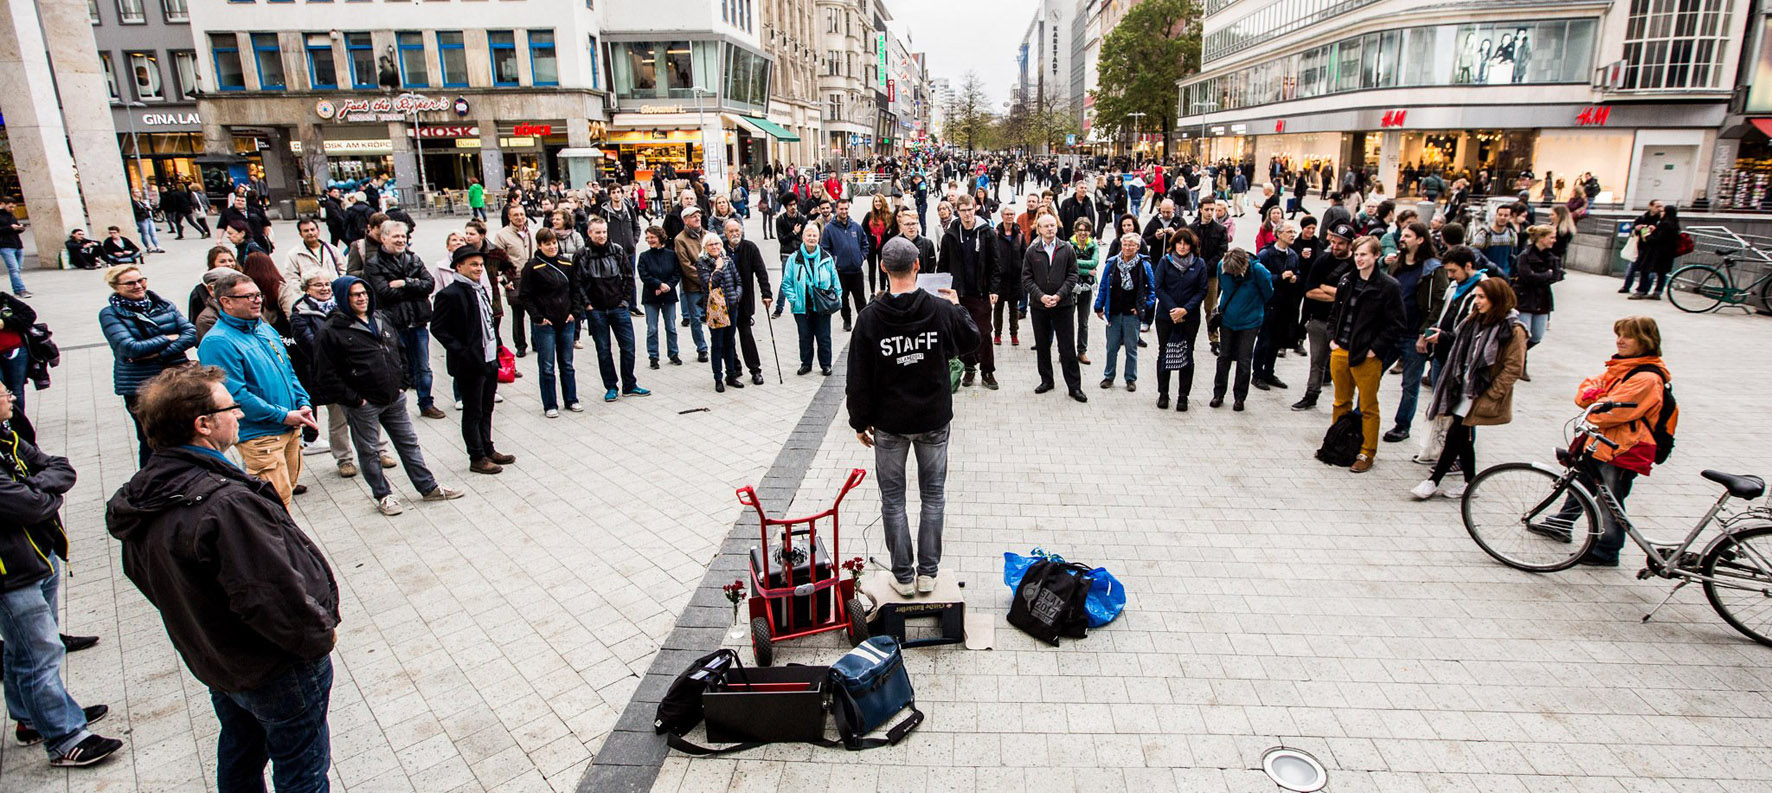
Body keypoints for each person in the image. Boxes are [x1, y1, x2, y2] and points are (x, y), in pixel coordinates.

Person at [105, 365, 337, 786]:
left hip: (218, 658)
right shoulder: (223, 505)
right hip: (273, 666)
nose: (241, 416)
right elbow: (270, 596)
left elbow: (146, 577)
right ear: (203, 425)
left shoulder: (146, 491)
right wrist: (318, 638)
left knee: (241, 748)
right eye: (232, 408)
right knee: (301, 769)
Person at [847, 237, 979, 597]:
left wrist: (860, 421)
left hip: (889, 423)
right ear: (918, 266)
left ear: (884, 268)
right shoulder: (939, 309)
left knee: (893, 500)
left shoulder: (870, 318)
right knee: (933, 496)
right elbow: (971, 340)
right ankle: (928, 574)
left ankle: (903, 577)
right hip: (933, 419)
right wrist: (957, 307)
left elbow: (857, 377)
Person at [1, 383, 124, 768]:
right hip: (11, 571)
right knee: (40, 653)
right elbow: (32, 503)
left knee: (26, 647)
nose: (11, 396)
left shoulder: (8, 435)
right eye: (3, 392)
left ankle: (31, 718)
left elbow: (59, 466)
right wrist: (40, 496)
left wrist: (37, 494)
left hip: (40, 552)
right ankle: (65, 737)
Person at [310, 276, 465, 515]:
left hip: (394, 397)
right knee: (369, 452)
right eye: (355, 295)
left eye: (365, 293)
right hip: (363, 404)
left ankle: (428, 487)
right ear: (343, 298)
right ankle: (383, 495)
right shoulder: (331, 331)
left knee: (409, 444)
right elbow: (325, 373)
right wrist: (355, 400)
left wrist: (403, 383)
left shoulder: (380, 318)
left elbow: (400, 351)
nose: (362, 298)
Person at [1539, 316, 1672, 566]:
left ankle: (1607, 550)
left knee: (1610, 500)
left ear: (1645, 340)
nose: (1620, 341)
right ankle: (1563, 522)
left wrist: (1597, 400)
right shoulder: (1622, 367)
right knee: (1583, 480)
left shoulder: (1646, 378)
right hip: (1606, 442)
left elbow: (1610, 412)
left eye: (1628, 336)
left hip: (1624, 447)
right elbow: (1587, 391)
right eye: (1619, 335)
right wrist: (1596, 398)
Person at [1411, 278, 1526, 500]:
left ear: (1497, 299)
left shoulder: (1513, 329)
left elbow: (1514, 367)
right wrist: (1443, 337)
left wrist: (1492, 393)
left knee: (1457, 433)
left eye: (1482, 297)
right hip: (1461, 385)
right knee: (1463, 438)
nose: (1477, 301)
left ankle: (1433, 481)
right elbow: (1460, 342)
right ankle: (1471, 484)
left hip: (1480, 390)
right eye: (1477, 296)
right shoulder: (1476, 319)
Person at [98, 264, 197, 468]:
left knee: (184, 434)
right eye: (130, 283)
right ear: (116, 286)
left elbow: (191, 333)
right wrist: (167, 339)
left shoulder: (163, 305)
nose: (138, 286)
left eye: (141, 280)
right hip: (141, 386)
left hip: (175, 380)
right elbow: (130, 348)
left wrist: (160, 354)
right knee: (151, 439)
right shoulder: (110, 314)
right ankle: (151, 481)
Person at [432, 247, 515, 474]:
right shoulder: (450, 294)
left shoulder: (479, 289)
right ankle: (476, 456)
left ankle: (487, 448)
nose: (478, 269)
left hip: (488, 359)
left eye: (480, 265)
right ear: (459, 267)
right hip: (469, 363)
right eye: (473, 265)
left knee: (487, 407)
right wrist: (463, 351)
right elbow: (438, 328)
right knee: (473, 410)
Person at [1328, 236, 1407, 473]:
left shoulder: (1388, 286)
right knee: (1341, 401)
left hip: (1366, 355)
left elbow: (1396, 324)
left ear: (1375, 255)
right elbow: (1335, 312)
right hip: (1341, 348)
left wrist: (1376, 348)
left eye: (1363, 254)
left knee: (1368, 406)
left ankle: (1366, 452)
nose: (1359, 259)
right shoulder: (1346, 281)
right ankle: (1337, 444)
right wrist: (1332, 337)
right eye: (1356, 254)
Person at [361, 220, 443, 420]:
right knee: (398, 366)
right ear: (383, 238)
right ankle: (397, 406)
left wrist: (405, 283)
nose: (400, 240)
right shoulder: (373, 264)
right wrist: (415, 289)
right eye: (395, 236)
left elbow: (429, 284)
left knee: (423, 365)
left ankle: (426, 402)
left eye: (403, 237)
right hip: (393, 324)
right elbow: (384, 292)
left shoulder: (414, 259)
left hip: (418, 321)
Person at [1381, 221, 1448, 443]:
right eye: (1403, 235)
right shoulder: (1397, 265)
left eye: (1408, 236)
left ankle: (1402, 425)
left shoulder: (1432, 269)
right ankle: (1361, 413)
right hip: (1391, 332)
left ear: (1420, 240)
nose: (1403, 239)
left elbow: (1439, 304)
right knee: (1372, 374)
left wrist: (1425, 334)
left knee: (1410, 385)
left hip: (1414, 335)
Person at [579, 218, 651, 400]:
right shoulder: (583, 255)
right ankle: (611, 386)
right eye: (597, 232)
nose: (602, 235)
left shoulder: (617, 251)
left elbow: (628, 277)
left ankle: (629, 384)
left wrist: (625, 302)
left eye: (604, 232)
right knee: (603, 350)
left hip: (618, 307)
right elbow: (578, 283)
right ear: (589, 233)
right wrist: (587, 305)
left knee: (628, 346)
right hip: (596, 310)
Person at [935, 195, 999, 389]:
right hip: (959, 294)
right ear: (958, 211)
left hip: (981, 293)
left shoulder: (987, 233)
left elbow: (995, 264)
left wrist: (994, 289)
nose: (967, 214)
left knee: (984, 332)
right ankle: (969, 368)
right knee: (963, 333)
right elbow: (943, 264)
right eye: (962, 210)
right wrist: (942, 288)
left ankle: (987, 371)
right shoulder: (951, 235)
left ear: (976, 208)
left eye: (970, 209)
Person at [518, 227, 581, 416]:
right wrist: (537, 317)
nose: (552, 246)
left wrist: (574, 312)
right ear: (539, 245)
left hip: (566, 320)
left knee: (567, 363)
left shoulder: (566, 263)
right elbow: (525, 296)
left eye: (554, 243)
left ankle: (571, 399)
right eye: (547, 243)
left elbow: (575, 289)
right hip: (546, 323)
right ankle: (550, 404)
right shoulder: (532, 266)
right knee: (547, 366)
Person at [1292, 222, 1355, 411]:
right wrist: (1340, 294)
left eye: (1341, 244)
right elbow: (1309, 292)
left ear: (1350, 244)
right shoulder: (1322, 261)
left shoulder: (1355, 265)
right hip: (1319, 319)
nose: (1335, 246)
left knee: (1345, 364)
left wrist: (1325, 289)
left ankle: (1345, 402)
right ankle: (1311, 395)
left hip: (1345, 324)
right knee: (1317, 361)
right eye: (1334, 242)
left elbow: (1355, 296)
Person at [1023, 214, 1086, 402]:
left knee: (1067, 347)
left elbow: (1073, 275)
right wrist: (1041, 296)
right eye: (1046, 226)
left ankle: (1074, 387)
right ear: (1039, 229)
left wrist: (1059, 295)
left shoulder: (1067, 249)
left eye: (1052, 225)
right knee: (1042, 345)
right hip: (1039, 306)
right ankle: (1046, 380)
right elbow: (1026, 278)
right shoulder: (1032, 251)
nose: (1050, 229)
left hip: (1063, 305)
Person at [1209, 248, 1274, 411]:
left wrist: (1252, 307)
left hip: (1250, 322)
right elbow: (1221, 288)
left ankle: (1240, 397)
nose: (1229, 274)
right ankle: (1218, 393)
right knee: (1224, 357)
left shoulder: (1258, 271)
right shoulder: (1221, 266)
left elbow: (1268, 293)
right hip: (1227, 320)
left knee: (1244, 360)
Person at [1152, 229, 1210, 411]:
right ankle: (1163, 393)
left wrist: (1185, 310)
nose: (1183, 247)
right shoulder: (1165, 261)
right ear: (1174, 244)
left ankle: (1183, 396)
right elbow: (1159, 287)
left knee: (1187, 354)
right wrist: (1173, 309)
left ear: (1192, 246)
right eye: (1179, 243)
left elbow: (1202, 290)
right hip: (1166, 316)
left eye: (1186, 243)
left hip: (1189, 317)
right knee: (1164, 353)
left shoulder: (1199, 264)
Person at [775, 222, 841, 376]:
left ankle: (826, 364)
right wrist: (794, 300)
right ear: (803, 237)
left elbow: (835, 281)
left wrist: (836, 299)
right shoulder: (794, 258)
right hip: (802, 306)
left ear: (819, 238)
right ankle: (806, 363)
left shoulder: (826, 257)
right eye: (808, 235)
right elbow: (786, 283)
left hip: (822, 305)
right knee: (805, 336)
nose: (811, 238)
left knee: (824, 337)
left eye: (814, 235)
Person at [1094, 231, 1155, 391]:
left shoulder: (1144, 265)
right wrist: (1098, 307)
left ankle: (1130, 378)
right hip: (1113, 312)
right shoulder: (1112, 263)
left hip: (1131, 314)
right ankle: (1109, 376)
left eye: (1131, 245)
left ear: (1138, 247)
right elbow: (1103, 286)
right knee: (1111, 346)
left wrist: (1143, 307)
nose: (1127, 248)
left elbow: (1152, 291)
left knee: (1131, 347)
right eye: (1125, 244)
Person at [721, 218, 774, 386]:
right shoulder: (720, 248)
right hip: (725, 302)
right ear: (725, 233)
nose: (735, 234)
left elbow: (761, 271)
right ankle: (734, 368)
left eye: (737, 230)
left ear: (741, 231)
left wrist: (766, 293)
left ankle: (755, 370)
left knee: (746, 336)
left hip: (744, 302)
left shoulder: (750, 247)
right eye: (731, 231)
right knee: (728, 339)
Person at [1251, 220, 1302, 391]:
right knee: (1264, 340)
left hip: (1285, 305)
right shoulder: (1266, 254)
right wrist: (1279, 277)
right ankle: (1257, 374)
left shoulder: (1293, 255)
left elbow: (1299, 273)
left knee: (1276, 341)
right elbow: (1257, 278)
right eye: (1289, 231)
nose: (1293, 235)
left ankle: (1269, 372)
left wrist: (1295, 278)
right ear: (1278, 234)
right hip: (1269, 304)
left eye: (1294, 232)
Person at [697, 234, 744, 391]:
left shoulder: (728, 261)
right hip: (715, 310)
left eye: (717, 243)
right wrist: (717, 267)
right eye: (710, 245)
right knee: (717, 344)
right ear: (705, 247)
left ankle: (731, 375)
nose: (715, 247)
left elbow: (738, 281)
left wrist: (736, 297)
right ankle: (718, 377)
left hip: (731, 307)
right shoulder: (702, 263)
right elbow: (710, 284)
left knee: (730, 342)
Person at [1514, 224, 1560, 381]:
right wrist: (1546, 274)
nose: (1554, 240)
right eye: (1551, 237)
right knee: (1524, 335)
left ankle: (1518, 355)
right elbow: (1527, 276)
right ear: (1541, 238)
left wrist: (1542, 276)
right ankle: (1520, 365)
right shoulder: (1525, 255)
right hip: (1525, 299)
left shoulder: (1551, 257)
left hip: (1542, 300)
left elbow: (1556, 276)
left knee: (1537, 336)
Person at [491, 205, 538, 356]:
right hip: (515, 278)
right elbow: (498, 260)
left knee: (535, 311)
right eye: (516, 215)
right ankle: (520, 345)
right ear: (510, 217)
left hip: (533, 277)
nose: (520, 217)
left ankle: (536, 342)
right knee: (518, 314)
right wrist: (505, 281)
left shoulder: (532, 233)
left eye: (522, 214)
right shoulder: (502, 235)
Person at [821, 199, 871, 332]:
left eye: (846, 209)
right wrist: (835, 262)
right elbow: (825, 250)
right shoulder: (829, 229)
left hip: (856, 270)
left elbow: (865, 244)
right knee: (843, 299)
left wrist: (861, 257)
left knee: (860, 299)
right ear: (836, 209)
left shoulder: (856, 226)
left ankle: (863, 322)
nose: (844, 211)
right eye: (841, 209)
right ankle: (847, 320)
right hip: (840, 271)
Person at [638, 226, 683, 369]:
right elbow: (644, 274)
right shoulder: (644, 256)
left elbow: (676, 273)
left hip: (668, 295)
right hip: (651, 296)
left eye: (652, 237)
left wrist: (667, 286)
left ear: (660, 238)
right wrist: (658, 285)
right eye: (648, 238)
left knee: (671, 326)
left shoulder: (671, 255)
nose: (650, 240)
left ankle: (673, 353)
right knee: (652, 328)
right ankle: (653, 356)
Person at [671, 205, 712, 361]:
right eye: (693, 216)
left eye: (698, 215)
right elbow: (685, 265)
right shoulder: (680, 239)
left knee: (713, 315)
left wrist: (712, 278)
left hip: (710, 283)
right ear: (685, 220)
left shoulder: (708, 235)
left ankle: (717, 344)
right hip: (693, 285)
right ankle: (701, 348)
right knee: (695, 318)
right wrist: (704, 279)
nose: (697, 218)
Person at [1629, 204, 1680, 300]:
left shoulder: (1665, 224)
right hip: (1667, 254)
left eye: (1663, 211)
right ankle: (1657, 292)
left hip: (1656, 253)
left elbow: (1657, 239)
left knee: (1645, 270)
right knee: (1662, 273)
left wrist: (1647, 235)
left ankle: (1641, 291)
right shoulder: (1674, 224)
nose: (1661, 213)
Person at [1069, 217, 1100, 366]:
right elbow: (1069, 264)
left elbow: (1095, 262)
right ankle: (1067, 351)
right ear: (1075, 231)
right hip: (1071, 287)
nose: (1082, 233)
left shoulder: (1093, 245)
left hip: (1087, 288)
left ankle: (1082, 351)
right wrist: (1087, 271)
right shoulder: (1069, 245)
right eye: (1080, 230)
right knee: (1067, 321)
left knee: (1084, 321)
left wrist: (1077, 265)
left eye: (1085, 230)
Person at [994, 204, 1026, 346]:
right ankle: (997, 334)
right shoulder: (995, 234)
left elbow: (1024, 255)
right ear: (1002, 216)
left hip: (1015, 278)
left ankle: (1014, 334)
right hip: (1000, 278)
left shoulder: (1019, 235)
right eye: (1007, 214)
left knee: (1014, 308)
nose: (1009, 217)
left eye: (1012, 214)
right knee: (998, 308)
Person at [1470, 204, 1517, 276]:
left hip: (1505, 275)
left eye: (1506, 215)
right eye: (1500, 215)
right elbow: (1476, 255)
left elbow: (1513, 254)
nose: (1502, 217)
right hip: (1488, 275)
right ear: (1496, 215)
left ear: (1510, 217)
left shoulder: (1512, 234)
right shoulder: (1484, 234)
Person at [1, 197, 29, 298]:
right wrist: (10, 228)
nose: (12, 209)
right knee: (14, 269)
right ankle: (21, 289)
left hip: (17, 244)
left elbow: (15, 229)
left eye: (14, 207)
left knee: (18, 268)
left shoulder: (11, 216)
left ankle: (18, 289)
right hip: (5, 245)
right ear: (3, 204)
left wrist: (19, 228)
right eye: (10, 206)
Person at [131, 188, 164, 253]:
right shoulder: (133, 202)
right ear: (133, 193)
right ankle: (148, 247)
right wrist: (144, 209)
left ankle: (157, 246)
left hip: (148, 218)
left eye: (139, 192)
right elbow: (135, 211)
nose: (139, 193)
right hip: (141, 219)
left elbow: (144, 208)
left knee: (153, 233)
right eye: (136, 192)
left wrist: (147, 208)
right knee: (145, 233)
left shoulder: (140, 201)